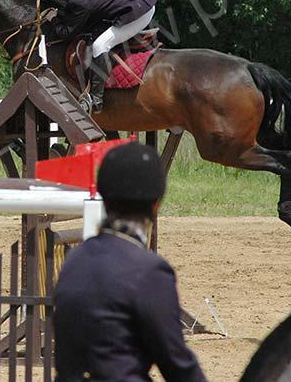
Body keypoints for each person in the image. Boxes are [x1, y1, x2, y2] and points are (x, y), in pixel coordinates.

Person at [53, 141, 207, 382]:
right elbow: (176, 364)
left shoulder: (74, 260)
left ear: (104, 200)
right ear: (156, 204)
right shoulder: (150, 271)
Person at [44, 0, 159, 113]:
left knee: (100, 45)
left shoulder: (81, 0)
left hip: (140, 11)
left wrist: (53, 19)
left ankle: (95, 99)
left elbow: (66, 33)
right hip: (135, 2)